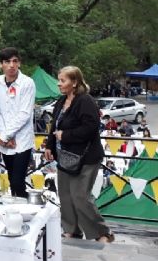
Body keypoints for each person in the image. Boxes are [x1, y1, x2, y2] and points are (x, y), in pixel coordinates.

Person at [45, 66, 113, 243]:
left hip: (86, 157)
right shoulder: (61, 101)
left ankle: (101, 232)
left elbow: (91, 128)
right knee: (65, 195)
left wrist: (66, 136)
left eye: (63, 80)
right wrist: (49, 146)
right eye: (59, 80)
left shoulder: (85, 101)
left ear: (74, 82)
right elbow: (55, 126)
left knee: (80, 196)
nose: (59, 84)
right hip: (64, 156)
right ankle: (71, 230)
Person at [0, 47, 36, 198]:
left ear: (19, 63)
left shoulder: (27, 83)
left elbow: (25, 113)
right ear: (1, 64)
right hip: (6, 140)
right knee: (11, 179)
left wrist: (7, 136)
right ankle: (15, 210)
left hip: (22, 140)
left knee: (18, 180)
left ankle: (26, 212)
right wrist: (4, 136)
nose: (11, 65)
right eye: (7, 62)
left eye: (14, 61)